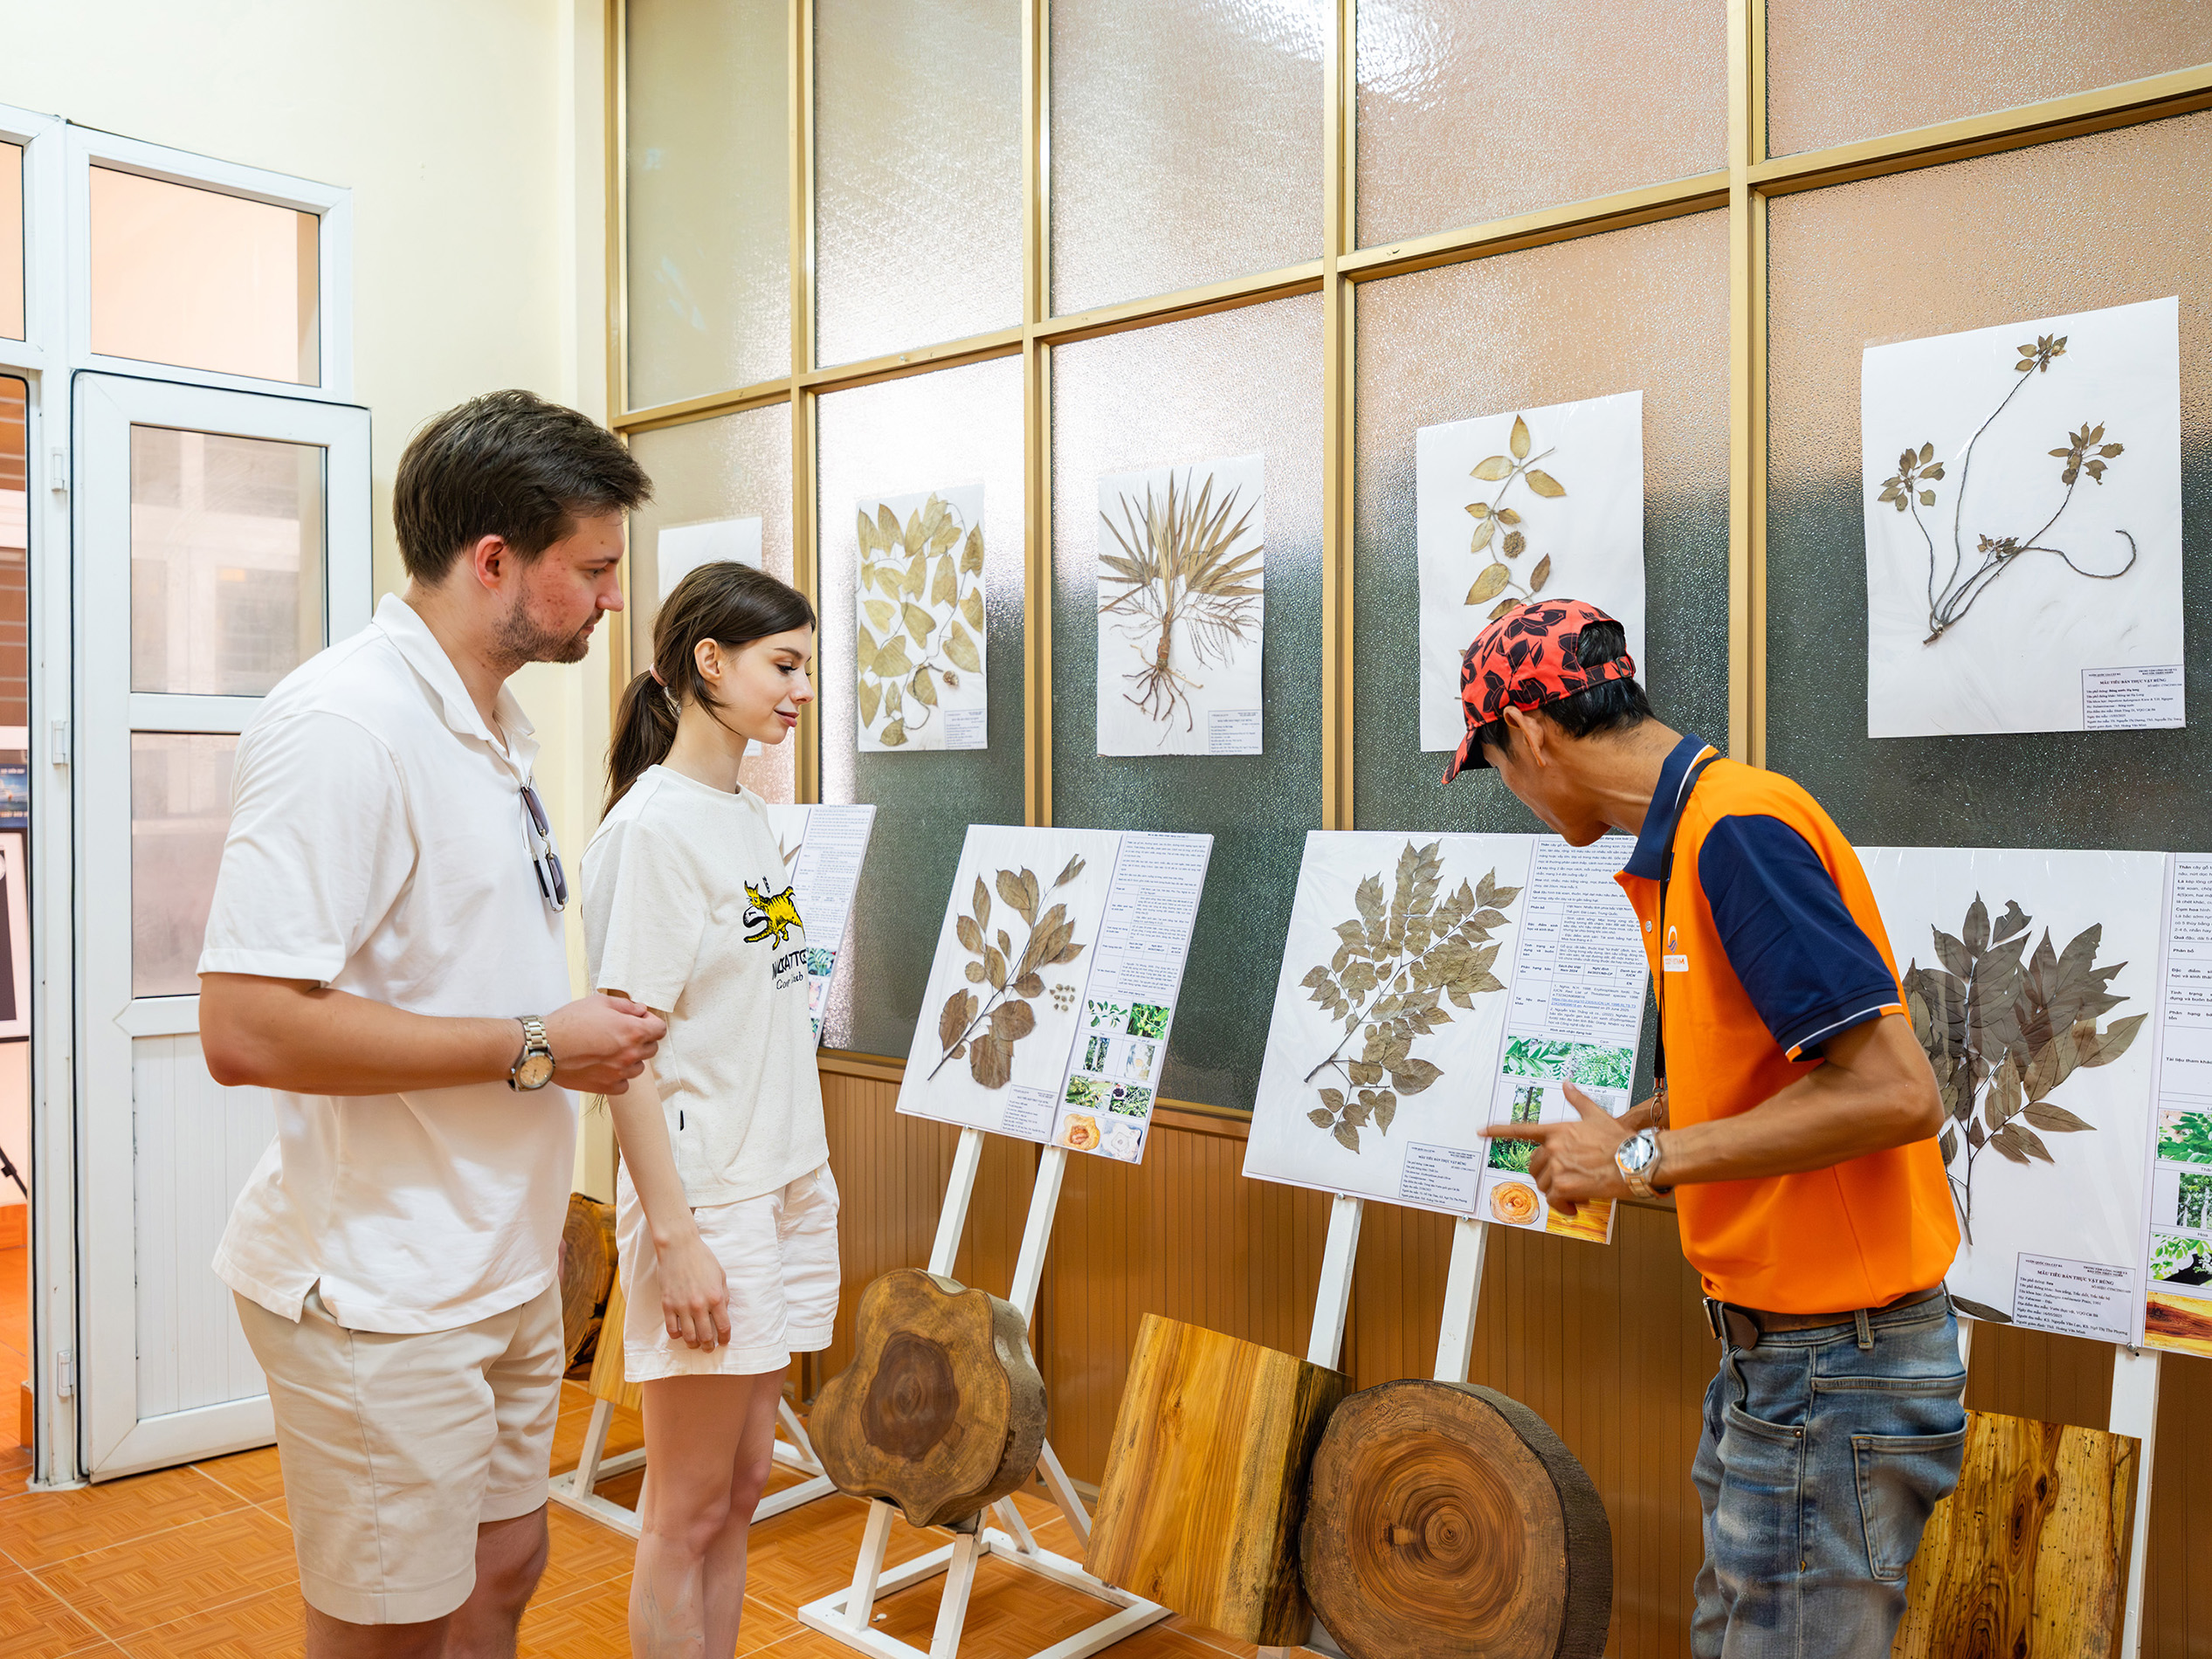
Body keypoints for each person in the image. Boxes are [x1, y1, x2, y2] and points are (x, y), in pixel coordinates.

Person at [198, 390, 668, 1659]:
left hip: (498, 1258)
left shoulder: (494, 723)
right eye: (595, 568)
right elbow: (245, 1031)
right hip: (378, 1285)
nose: (614, 600)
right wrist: (537, 1044)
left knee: (507, 1566)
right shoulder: (345, 723)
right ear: (496, 561)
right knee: (388, 1628)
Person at [1466, 599, 1964, 1658]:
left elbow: (1893, 1093)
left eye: (1497, 764)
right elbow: (1777, 1069)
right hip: (1783, 1362)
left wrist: (1638, 1157)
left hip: (1835, 1365)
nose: (1511, 791)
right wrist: (1640, 1122)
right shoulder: (1691, 834)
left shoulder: (1733, 830)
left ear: (1536, 733)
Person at [580, 561, 837, 1659]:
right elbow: (620, 1057)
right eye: (785, 665)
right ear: (709, 662)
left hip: (779, 1184)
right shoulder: (651, 833)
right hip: (709, 1209)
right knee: (684, 1510)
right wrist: (676, 1239)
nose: (801, 691)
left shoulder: (743, 813)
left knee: (738, 1491)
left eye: (807, 668)